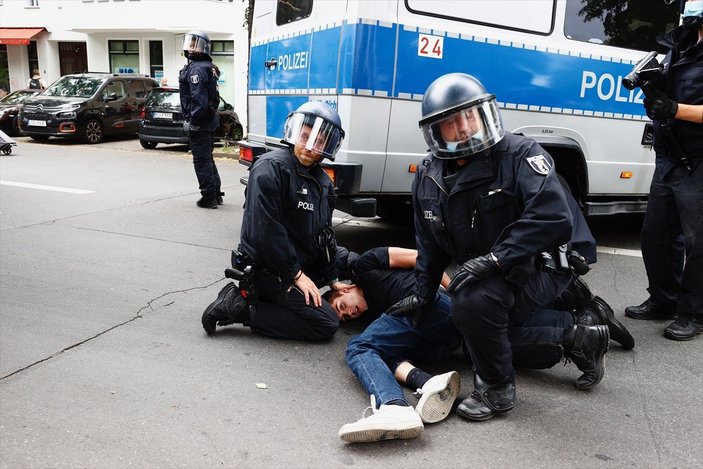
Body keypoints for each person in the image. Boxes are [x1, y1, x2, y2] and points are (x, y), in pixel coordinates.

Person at [384, 72, 616, 423]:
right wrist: (423, 294)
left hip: (541, 264)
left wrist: (495, 259)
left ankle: (496, 389)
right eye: (451, 122)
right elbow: (429, 243)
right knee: (479, 330)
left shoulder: (520, 154)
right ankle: (579, 334)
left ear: (484, 114)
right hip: (498, 271)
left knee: (473, 304)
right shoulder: (428, 174)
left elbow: (553, 217)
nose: (463, 128)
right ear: (435, 131)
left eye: (469, 116)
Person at [334, 245, 633, 442]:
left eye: (341, 306)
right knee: (487, 342)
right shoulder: (372, 313)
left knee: (360, 347)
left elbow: (421, 258)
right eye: (344, 318)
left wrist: (458, 298)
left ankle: (394, 405)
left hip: (431, 302)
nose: (347, 314)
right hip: (433, 328)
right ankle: (582, 326)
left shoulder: (365, 266)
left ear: (344, 287)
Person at [200, 101, 347, 341]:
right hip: (268, 268)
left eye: (318, 141)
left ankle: (274, 300)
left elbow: (325, 235)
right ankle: (242, 307)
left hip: (295, 264)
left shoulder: (323, 182)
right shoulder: (271, 168)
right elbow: (266, 232)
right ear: (294, 133)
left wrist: (332, 280)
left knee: (350, 261)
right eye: (305, 136)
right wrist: (298, 276)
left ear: (328, 146)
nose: (309, 147)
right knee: (326, 323)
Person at [624, 1, 703, 341]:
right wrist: (654, 95)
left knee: (697, 243)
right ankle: (663, 299)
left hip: (699, 160)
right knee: (655, 235)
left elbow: (685, 107)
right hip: (669, 156)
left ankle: (693, 313)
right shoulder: (680, 44)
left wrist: (675, 108)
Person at [178, 30, 223, 209]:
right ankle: (216, 194)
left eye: (194, 43)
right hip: (210, 121)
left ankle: (209, 197)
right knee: (207, 159)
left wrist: (193, 122)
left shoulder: (197, 68)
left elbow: (199, 100)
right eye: (190, 43)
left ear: (203, 47)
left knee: (201, 160)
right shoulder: (208, 67)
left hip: (201, 123)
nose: (190, 47)